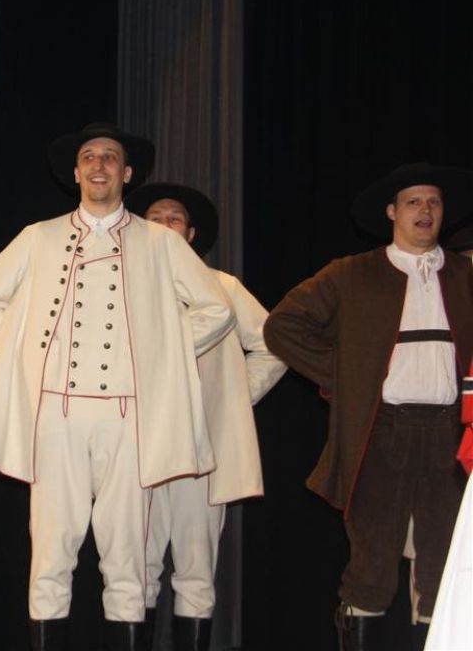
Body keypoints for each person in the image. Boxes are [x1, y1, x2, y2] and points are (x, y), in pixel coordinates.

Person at [0, 123, 235, 651]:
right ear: (75, 173)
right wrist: (26, 354)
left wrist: (163, 356)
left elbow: (215, 309)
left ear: (126, 173)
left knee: (127, 560)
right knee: (50, 556)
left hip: (129, 419)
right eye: (89, 157)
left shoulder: (161, 242)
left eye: (110, 157)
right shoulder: (38, 237)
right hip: (55, 416)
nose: (98, 165)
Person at [263, 163, 473, 651]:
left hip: (450, 435)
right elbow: (282, 327)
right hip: (381, 432)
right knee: (372, 565)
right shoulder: (351, 273)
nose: (425, 211)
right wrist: (347, 376)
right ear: (392, 212)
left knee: (445, 562)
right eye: (413, 202)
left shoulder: (465, 274)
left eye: (434, 202)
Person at [126, 183, 286, 651]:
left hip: (202, 447)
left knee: (196, 571)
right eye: (155, 217)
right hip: (136, 445)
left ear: (191, 233)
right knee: (134, 571)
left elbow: (274, 345)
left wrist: (233, 399)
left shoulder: (223, 287)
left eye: (174, 218)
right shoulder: (120, 291)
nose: (164, 225)